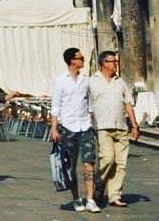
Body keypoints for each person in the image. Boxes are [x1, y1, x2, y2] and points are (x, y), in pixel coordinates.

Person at [50, 47, 98, 213]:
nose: (83, 60)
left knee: (89, 163)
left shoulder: (86, 80)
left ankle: (90, 198)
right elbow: (55, 106)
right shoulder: (60, 80)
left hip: (85, 126)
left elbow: (90, 103)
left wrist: (92, 123)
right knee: (70, 165)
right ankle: (76, 198)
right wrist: (54, 128)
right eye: (80, 57)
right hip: (69, 126)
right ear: (72, 60)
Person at [90, 50, 139, 206]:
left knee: (121, 163)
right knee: (107, 159)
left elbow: (128, 104)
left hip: (121, 126)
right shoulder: (92, 81)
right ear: (103, 63)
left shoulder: (120, 82)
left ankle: (115, 195)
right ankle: (98, 184)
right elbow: (87, 106)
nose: (115, 64)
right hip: (102, 127)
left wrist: (134, 125)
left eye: (116, 62)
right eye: (112, 62)